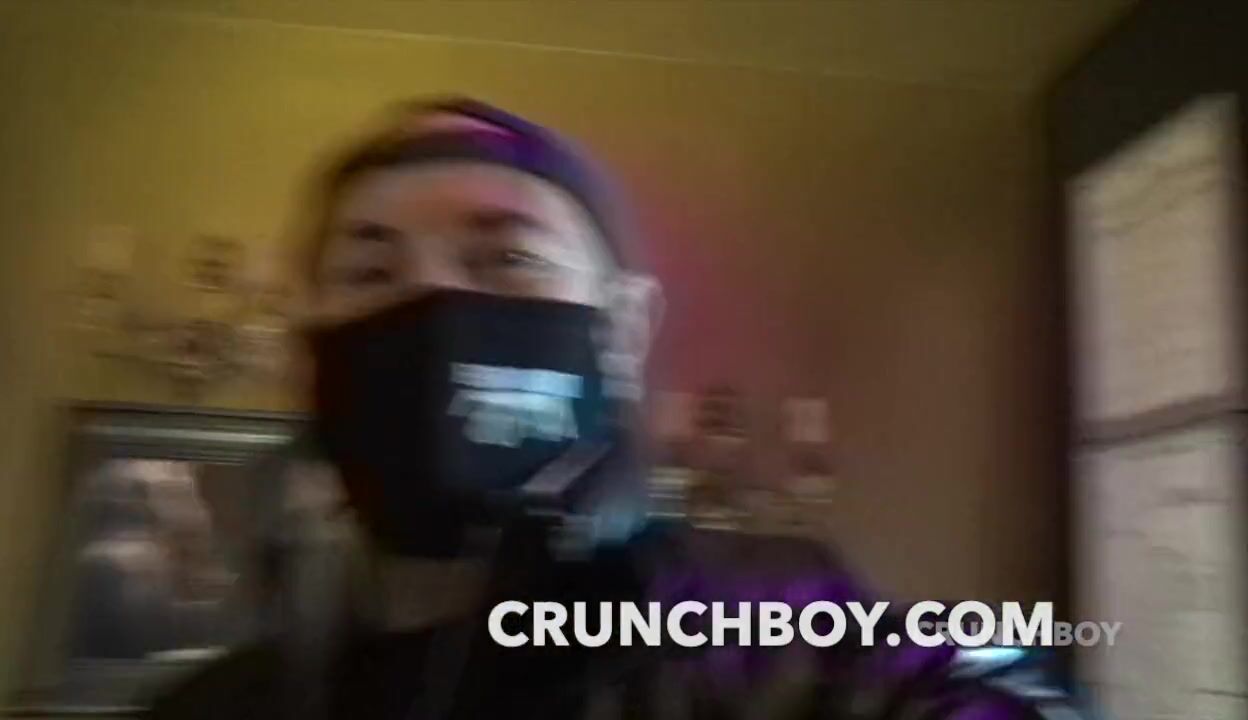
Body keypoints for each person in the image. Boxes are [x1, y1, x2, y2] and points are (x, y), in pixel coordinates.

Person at [146, 97, 1082, 720]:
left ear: (625, 332)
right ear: (309, 350)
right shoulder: (215, 709)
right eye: (369, 270)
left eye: (506, 258)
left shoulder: (780, 629)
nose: (429, 300)